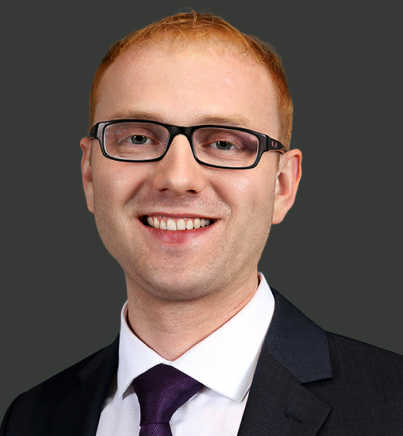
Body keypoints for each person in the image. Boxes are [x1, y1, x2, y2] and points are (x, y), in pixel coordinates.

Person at [1, 11, 402, 436]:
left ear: (283, 185)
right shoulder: (30, 418)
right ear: (89, 175)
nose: (177, 178)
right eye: (138, 138)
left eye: (224, 143)